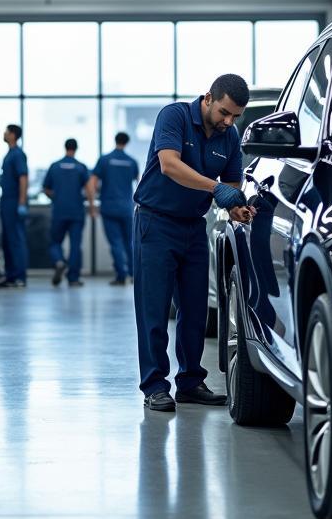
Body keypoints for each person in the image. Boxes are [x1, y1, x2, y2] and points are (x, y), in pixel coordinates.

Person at [133, 74, 255, 411]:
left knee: (196, 310)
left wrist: (236, 209)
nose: (228, 122)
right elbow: (170, 165)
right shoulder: (173, 116)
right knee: (154, 310)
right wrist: (216, 189)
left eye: (235, 116)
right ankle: (155, 385)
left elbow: (230, 186)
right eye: (224, 112)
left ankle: (189, 381)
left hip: (193, 227)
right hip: (155, 223)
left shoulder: (229, 137)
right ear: (208, 99)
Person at [42, 139, 95, 287]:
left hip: (59, 210)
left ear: (65, 148)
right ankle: (73, 278)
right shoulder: (81, 167)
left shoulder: (54, 166)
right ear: (76, 149)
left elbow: (46, 188)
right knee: (75, 245)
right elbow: (90, 189)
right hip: (76, 212)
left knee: (55, 242)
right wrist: (91, 208)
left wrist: (56, 197)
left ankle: (59, 261)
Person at [90, 132, 140, 285]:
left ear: (115, 140)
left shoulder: (105, 160)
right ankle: (134, 274)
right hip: (126, 207)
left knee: (115, 242)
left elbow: (92, 182)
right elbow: (139, 183)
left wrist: (93, 203)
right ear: (127, 142)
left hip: (109, 207)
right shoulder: (131, 162)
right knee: (129, 242)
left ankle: (121, 275)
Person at [0, 123, 29, 288]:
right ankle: (10, 275)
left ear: (13, 135)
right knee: (8, 240)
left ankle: (19, 277)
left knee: (16, 240)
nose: (4, 133)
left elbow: (23, 178)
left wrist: (22, 203)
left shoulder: (18, 154)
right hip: (7, 201)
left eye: (6, 131)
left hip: (14, 202)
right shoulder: (9, 154)